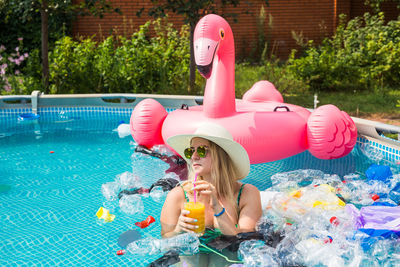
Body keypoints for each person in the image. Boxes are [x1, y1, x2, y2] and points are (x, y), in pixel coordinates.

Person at [160, 122, 262, 238]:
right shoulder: (179, 195)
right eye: (190, 151)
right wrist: (179, 229)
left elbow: (245, 240)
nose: (194, 156)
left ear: (221, 156)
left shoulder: (246, 193)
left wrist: (217, 206)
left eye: (202, 150)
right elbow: (165, 239)